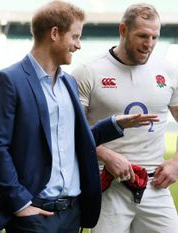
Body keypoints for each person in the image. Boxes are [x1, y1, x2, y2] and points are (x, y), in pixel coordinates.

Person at [0, 1, 159, 233]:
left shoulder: (69, 83)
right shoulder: (8, 80)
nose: (78, 45)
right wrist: (20, 203)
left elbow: (75, 141)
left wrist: (114, 124)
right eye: (75, 37)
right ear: (55, 33)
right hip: (35, 214)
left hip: (72, 213)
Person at [71, 3, 178, 233]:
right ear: (123, 30)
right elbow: (70, 130)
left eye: (154, 37)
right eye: (142, 36)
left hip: (155, 186)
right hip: (109, 186)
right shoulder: (89, 71)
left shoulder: (168, 71)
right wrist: (105, 154)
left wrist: (176, 163)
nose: (149, 44)